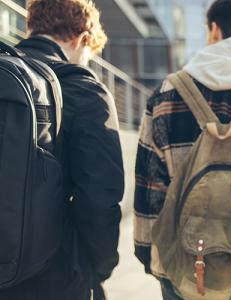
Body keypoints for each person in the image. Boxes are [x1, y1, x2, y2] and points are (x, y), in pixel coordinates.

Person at [133, 0, 231, 299]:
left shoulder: (167, 93)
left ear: (214, 30)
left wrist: (148, 254)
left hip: (183, 269)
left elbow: (149, 187)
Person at [0, 0, 124, 299]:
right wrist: (98, 268)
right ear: (81, 38)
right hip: (54, 273)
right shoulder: (84, 89)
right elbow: (100, 197)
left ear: (30, 26)